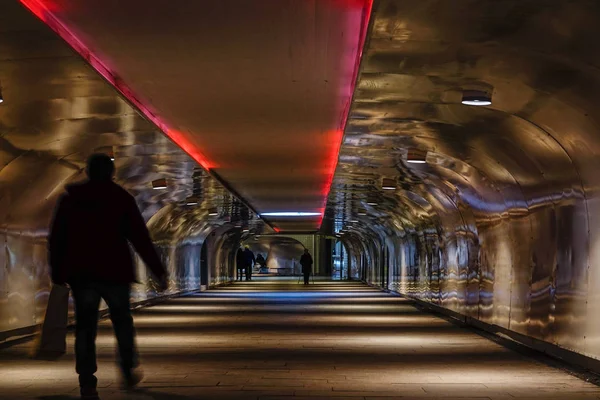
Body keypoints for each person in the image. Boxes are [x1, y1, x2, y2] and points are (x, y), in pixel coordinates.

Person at [48, 153, 168, 400]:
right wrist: (158, 271)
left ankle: (87, 382)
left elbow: (57, 238)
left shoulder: (71, 200)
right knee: (122, 321)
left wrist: (57, 272)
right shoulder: (121, 199)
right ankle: (126, 367)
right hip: (115, 272)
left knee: (85, 328)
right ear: (111, 174)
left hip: (82, 274)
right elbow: (140, 238)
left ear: (88, 171)